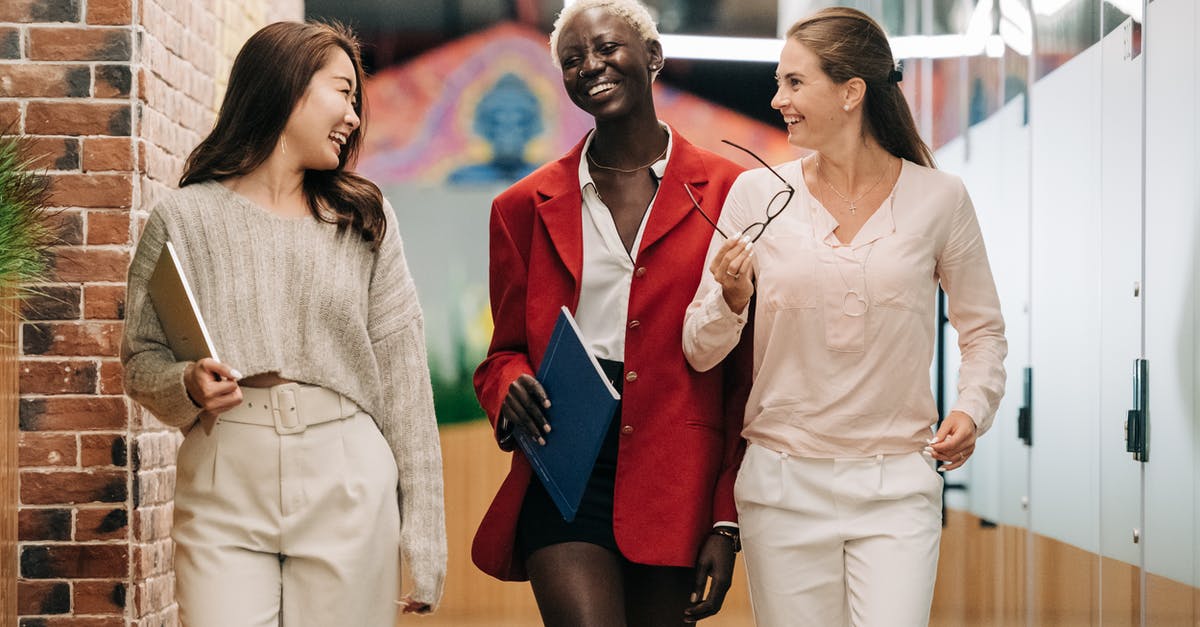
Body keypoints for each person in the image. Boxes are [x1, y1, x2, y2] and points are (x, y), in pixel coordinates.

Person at [682, 7, 1007, 627]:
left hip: (897, 488)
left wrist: (972, 408)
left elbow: (984, 330)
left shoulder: (940, 198)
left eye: (794, 83)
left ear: (851, 92)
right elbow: (699, 348)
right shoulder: (756, 195)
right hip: (781, 487)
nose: (778, 98)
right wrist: (730, 297)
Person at [120, 21, 446, 626]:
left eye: (356, 100)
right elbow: (140, 361)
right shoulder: (183, 219)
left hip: (347, 472)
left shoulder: (364, 219)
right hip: (223, 475)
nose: (353, 115)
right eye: (341, 91)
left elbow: (405, 382)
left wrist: (424, 540)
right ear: (286, 86)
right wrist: (187, 382)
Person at [470, 1, 753, 625]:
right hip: (565, 460)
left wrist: (726, 520)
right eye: (572, 61)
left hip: (677, 472)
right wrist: (508, 383)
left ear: (652, 57)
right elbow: (503, 352)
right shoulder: (522, 206)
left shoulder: (733, 192)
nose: (590, 67)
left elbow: (745, 378)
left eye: (606, 48)